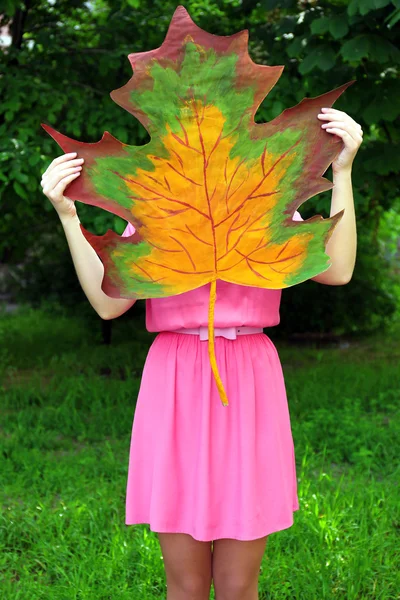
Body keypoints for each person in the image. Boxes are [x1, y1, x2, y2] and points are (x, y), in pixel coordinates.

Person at [40, 107, 361, 600]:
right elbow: (108, 304)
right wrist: (69, 215)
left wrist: (342, 172)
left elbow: (336, 271)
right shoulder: (155, 210)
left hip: (249, 377)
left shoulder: (266, 201)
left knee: (237, 585)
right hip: (175, 378)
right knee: (185, 585)